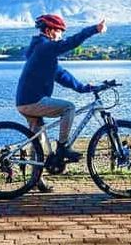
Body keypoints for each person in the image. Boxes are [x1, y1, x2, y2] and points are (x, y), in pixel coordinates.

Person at [15, 14, 106, 192]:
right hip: (32, 102)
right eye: (59, 32)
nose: (61, 36)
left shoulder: (42, 50)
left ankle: (36, 181)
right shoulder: (44, 46)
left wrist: (84, 88)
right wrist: (94, 29)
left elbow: (62, 75)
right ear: (49, 31)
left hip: (26, 102)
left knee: (38, 142)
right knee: (68, 108)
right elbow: (71, 43)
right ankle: (63, 147)